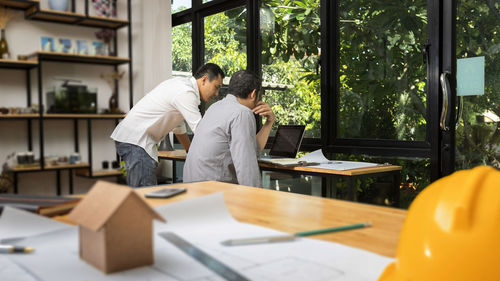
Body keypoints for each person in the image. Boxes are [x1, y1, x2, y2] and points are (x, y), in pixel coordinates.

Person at [111, 63, 224, 187]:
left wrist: (189, 149)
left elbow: (178, 128)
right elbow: (200, 130)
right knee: (144, 195)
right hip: (137, 140)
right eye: (216, 87)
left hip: (132, 138)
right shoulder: (186, 92)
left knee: (142, 193)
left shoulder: (180, 86)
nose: (217, 93)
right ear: (204, 80)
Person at [183, 70, 275, 187]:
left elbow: (252, 150)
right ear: (253, 94)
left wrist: (269, 122)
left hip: (191, 188)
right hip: (213, 192)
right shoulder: (242, 113)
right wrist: (257, 199)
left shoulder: (214, 107)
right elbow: (246, 167)